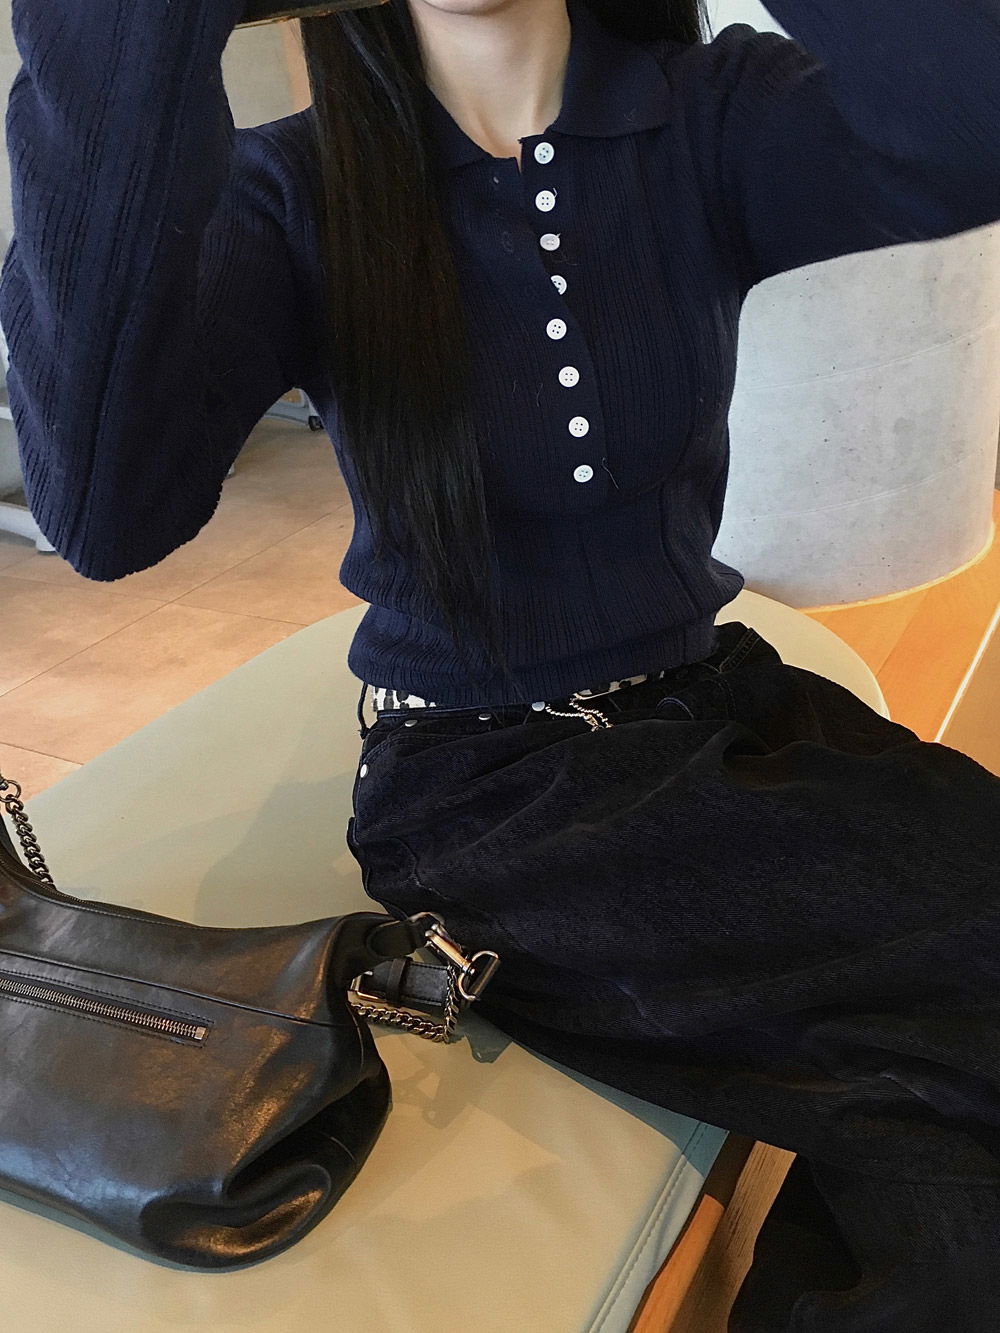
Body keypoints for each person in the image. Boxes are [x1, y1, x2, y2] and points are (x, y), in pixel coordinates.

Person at [2, 0, 1000, 1326]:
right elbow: (105, 510)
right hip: (489, 799)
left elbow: (968, 122)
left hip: (712, 712)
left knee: (932, 1090)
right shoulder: (303, 189)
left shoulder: (704, 117)